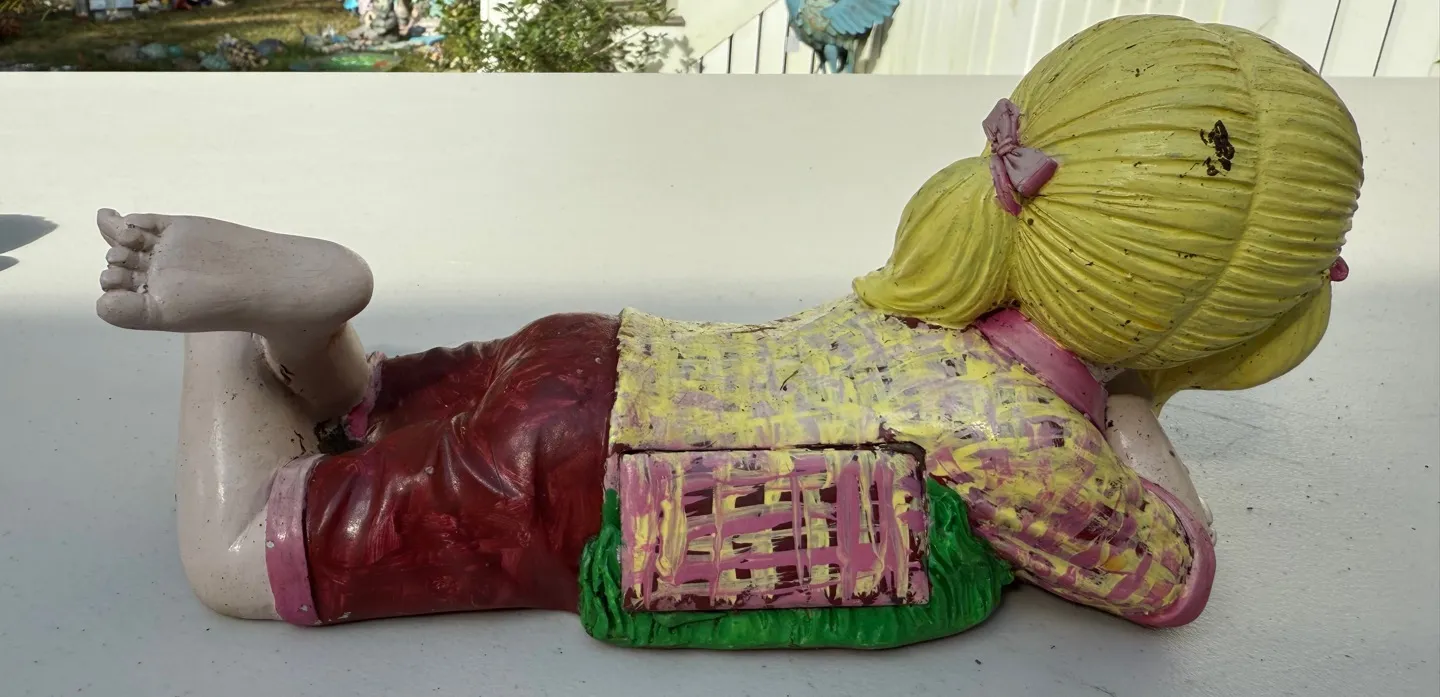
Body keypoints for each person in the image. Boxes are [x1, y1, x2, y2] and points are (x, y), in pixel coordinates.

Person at [94, 15, 1361, 646]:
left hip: (597, 352)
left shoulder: (943, 284)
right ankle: (231, 329)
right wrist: (1131, 409)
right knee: (238, 557)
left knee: (357, 411)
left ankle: (312, 323)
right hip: (581, 473)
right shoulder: (1032, 442)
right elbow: (1168, 578)